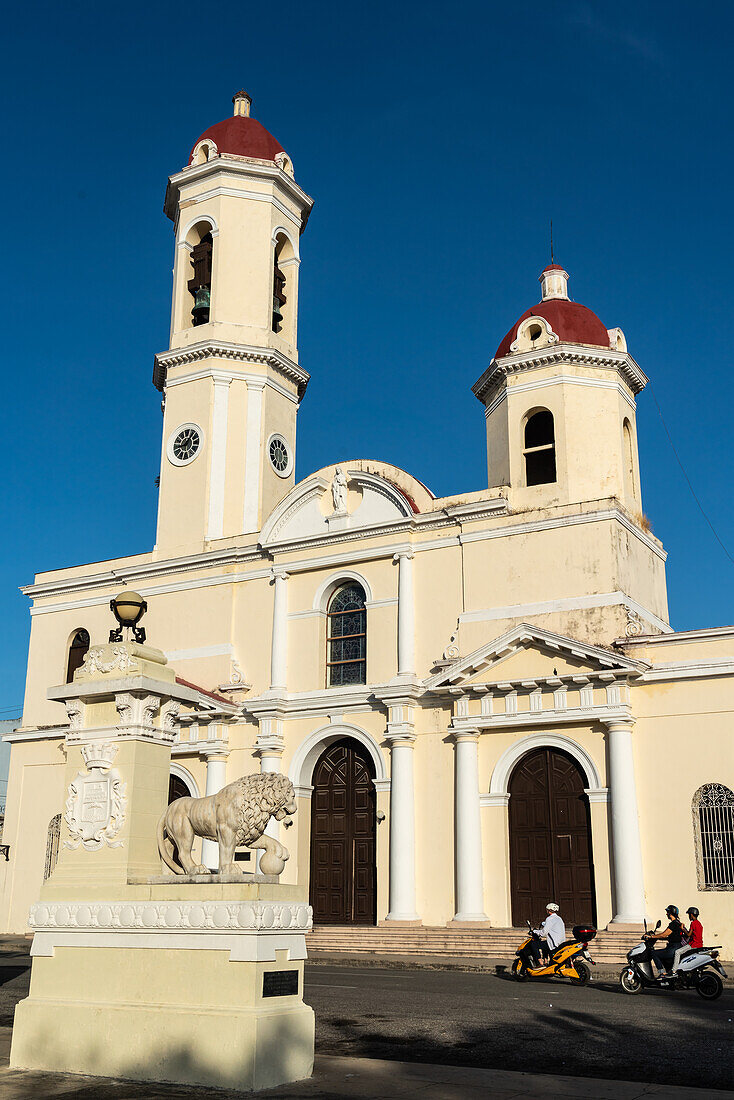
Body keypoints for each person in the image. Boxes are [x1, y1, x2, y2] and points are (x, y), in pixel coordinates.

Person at [651, 904, 685, 975]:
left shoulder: (673, 924)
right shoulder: (678, 923)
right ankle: (668, 972)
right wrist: (659, 938)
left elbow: (664, 934)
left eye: (668, 912)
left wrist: (651, 937)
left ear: (671, 913)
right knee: (662, 956)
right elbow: (671, 936)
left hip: (673, 948)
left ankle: (662, 973)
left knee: (654, 953)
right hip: (675, 946)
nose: (666, 914)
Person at [529, 903, 566, 967]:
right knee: (545, 944)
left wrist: (534, 931)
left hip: (554, 943)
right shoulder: (559, 918)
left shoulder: (549, 919)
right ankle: (546, 961)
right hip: (560, 942)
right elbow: (550, 925)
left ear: (548, 910)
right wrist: (543, 924)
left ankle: (540, 962)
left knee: (534, 945)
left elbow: (543, 933)